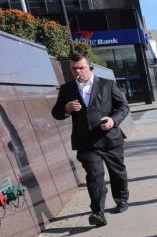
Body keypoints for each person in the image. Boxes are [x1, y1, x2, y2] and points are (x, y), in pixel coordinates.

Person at [51, 52, 130, 227]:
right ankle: (97, 212)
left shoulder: (107, 84)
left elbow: (123, 107)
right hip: (86, 142)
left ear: (90, 67)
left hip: (110, 139)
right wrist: (66, 108)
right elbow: (56, 113)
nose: (77, 71)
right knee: (94, 176)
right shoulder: (67, 89)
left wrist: (113, 120)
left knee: (117, 172)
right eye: (74, 68)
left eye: (81, 67)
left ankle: (121, 199)